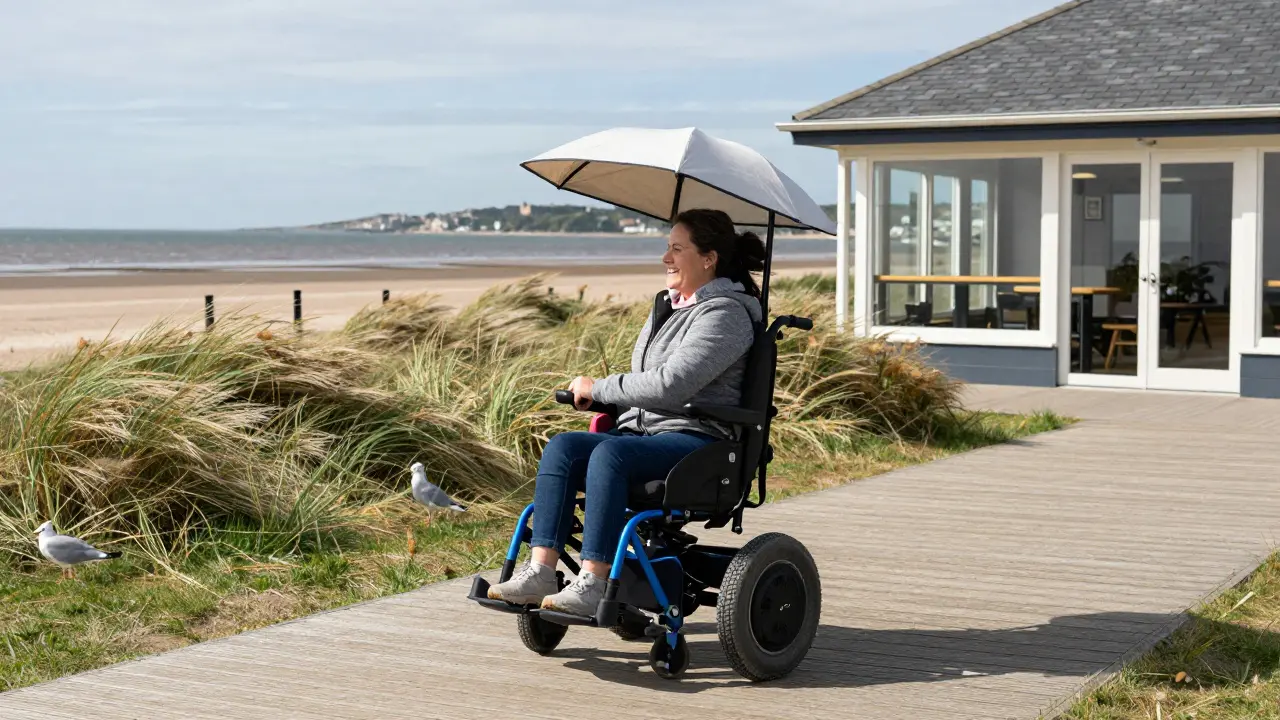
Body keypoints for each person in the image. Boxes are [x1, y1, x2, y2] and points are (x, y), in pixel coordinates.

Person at [487, 208, 765, 616]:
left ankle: (594, 583)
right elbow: (646, 381)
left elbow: (671, 384)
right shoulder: (670, 308)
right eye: (666, 248)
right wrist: (603, 399)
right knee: (564, 448)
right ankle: (541, 572)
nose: (665, 258)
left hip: (699, 440)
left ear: (709, 259)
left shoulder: (725, 314)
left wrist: (599, 387)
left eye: (676, 248)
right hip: (647, 434)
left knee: (609, 454)